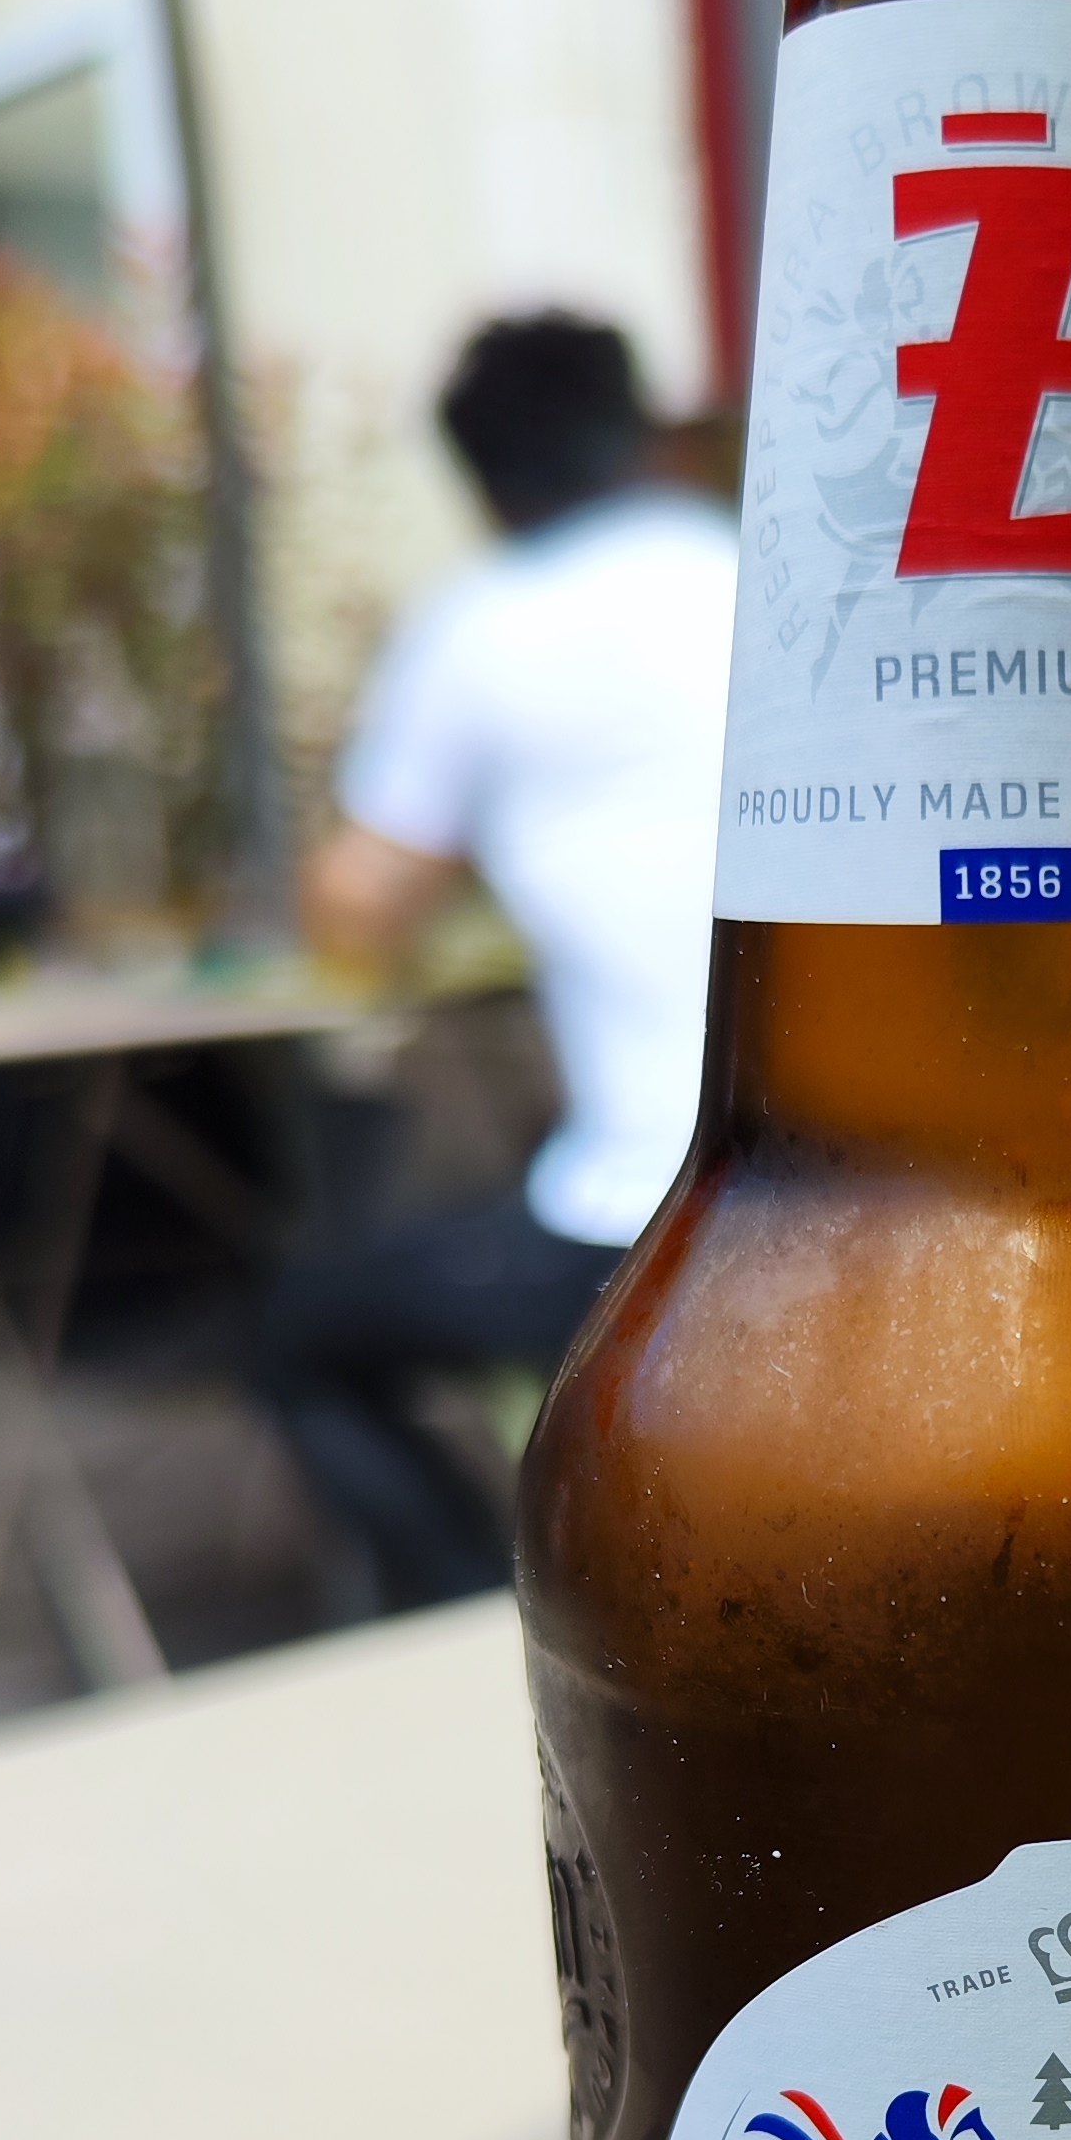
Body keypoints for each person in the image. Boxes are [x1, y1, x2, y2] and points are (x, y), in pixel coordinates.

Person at [264, 311, 737, 1604]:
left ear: (480, 481)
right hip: (862, 1198)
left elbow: (356, 908)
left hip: (647, 1223)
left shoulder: (481, 628)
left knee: (298, 1335)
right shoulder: (756, 576)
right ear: (640, 433)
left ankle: (479, 1609)